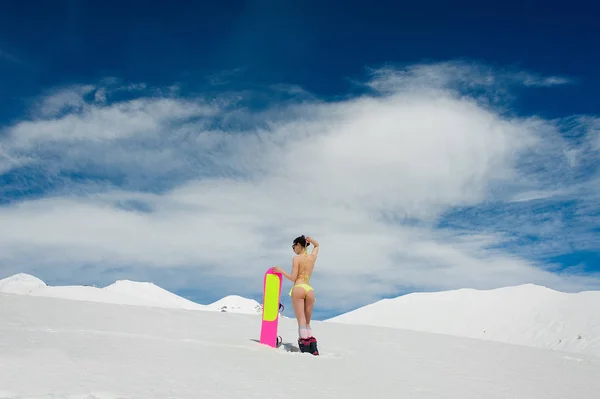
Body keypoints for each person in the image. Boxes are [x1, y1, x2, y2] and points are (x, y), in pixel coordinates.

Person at [272, 235, 319, 355]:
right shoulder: (312, 258)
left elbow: (293, 278)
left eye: (294, 246)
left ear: (299, 245)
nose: (293, 249)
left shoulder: (297, 259)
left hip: (299, 287)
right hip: (309, 289)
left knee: (301, 320)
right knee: (308, 322)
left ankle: (305, 346)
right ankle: (313, 348)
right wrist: (311, 240)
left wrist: (281, 271)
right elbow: (317, 245)